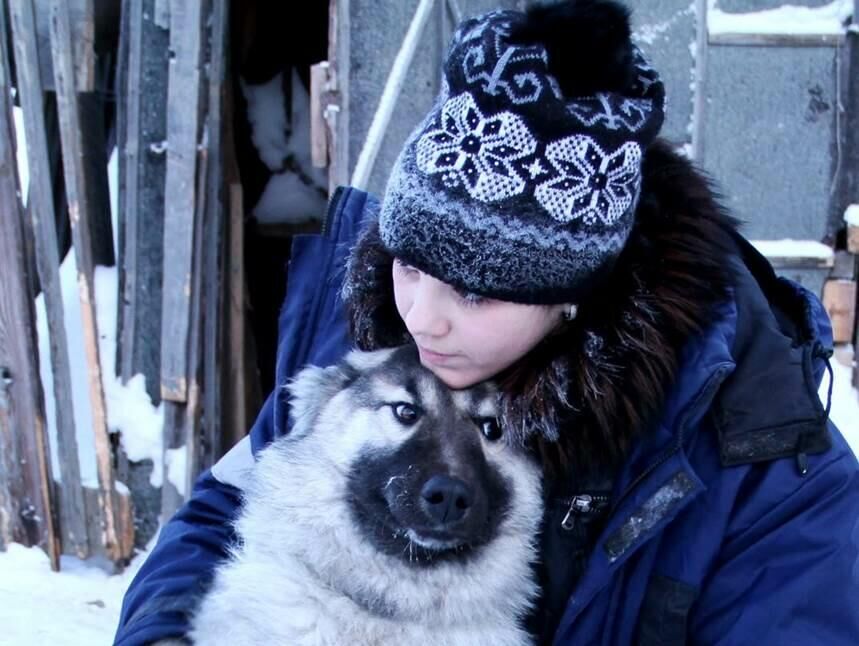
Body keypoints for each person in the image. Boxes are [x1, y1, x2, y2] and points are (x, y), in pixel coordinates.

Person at [115, 1, 859, 644]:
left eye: (475, 296)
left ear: (573, 295)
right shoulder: (372, 344)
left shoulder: (765, 460)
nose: (423, 320)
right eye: (410, 267)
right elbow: (221, 512)